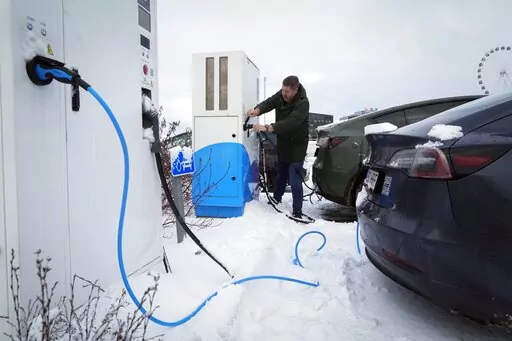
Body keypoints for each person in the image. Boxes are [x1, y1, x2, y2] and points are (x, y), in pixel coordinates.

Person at [247, 75, 309, 220]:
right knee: (281, 172)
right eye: (282, 90)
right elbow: (269, 103)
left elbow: (291, 121)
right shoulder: (281, 96)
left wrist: (268, 128)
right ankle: (276, 198)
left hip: (297, 144)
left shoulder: (303, 103)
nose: (283, 94)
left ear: (295, 90)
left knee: (294, 178)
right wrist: (257, 110)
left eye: (287, 92)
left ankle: (297, 211)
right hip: (283, 141)